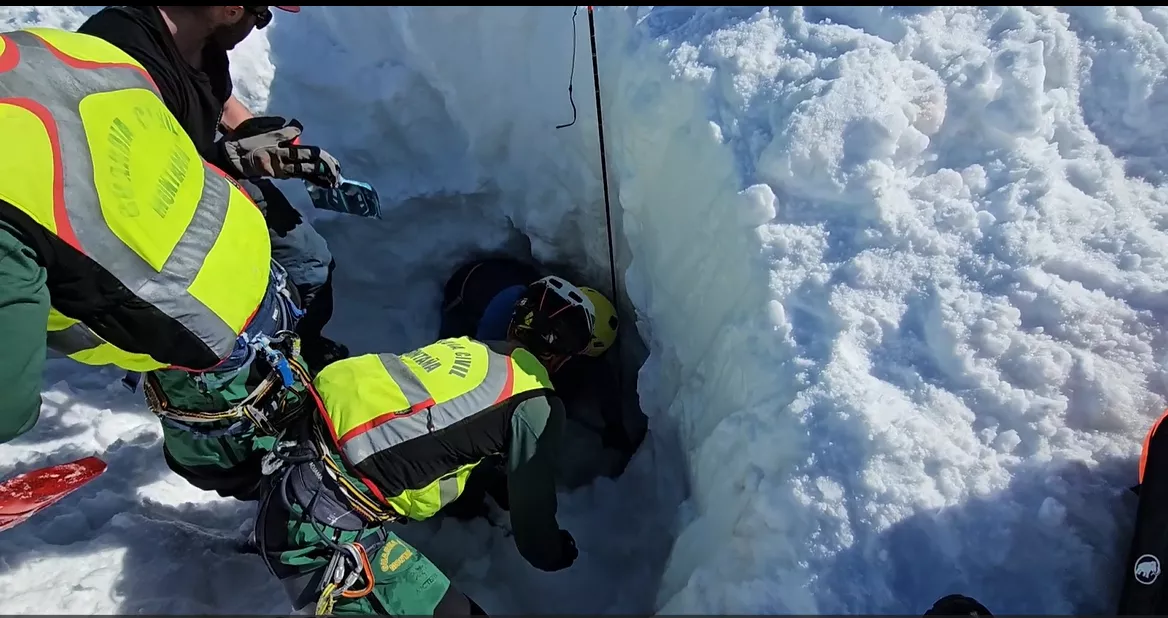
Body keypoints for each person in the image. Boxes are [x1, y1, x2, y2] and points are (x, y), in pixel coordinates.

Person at [0, 25, 301, 454]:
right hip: (246, 252)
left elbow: (6, 407)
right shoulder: (53, 45)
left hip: (202, 323)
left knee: (236, 461)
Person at [254, 282, 595, 615]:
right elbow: (534, 532)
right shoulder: (535, 403)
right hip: (318, 526)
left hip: (286, 468)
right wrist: (555, 553)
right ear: (562, 358)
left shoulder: (467, 350)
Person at [77, 5, 350, 371]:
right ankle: (249, 370)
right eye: (262, 16)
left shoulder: (202, 42)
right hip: (153, 221)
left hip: (209, 180)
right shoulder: (120, 50)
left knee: (310, 262)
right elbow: (135, 174)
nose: (258, 26)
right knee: (236, 302)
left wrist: (268, 143)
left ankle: (302, 350)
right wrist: (233, 160)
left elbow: (220, 100)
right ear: (231, 10)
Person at [439, 256, 645, 460]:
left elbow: (599, 371)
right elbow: (482, 374)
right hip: (465, 292)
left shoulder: (551, 308)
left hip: (508, 276)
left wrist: (614, 423)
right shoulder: (505, 320)